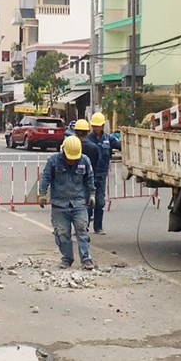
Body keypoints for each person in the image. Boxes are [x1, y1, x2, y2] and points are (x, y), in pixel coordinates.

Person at [39, 136, 96, 270]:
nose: (71, 160)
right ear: (63, 150)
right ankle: (67, 258)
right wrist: (42, 194)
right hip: (59, 204)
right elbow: (45, 177)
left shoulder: (84, 161)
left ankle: (86, 259)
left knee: (82, 230)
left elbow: (90, 179)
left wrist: (92, 194)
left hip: (79, 203)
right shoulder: (53, 161)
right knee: (62, 233)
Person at [86, 112, 121, 235]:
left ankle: (98, 227)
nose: (96, 128)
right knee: (88, 202)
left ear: (102, 126)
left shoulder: (108, 139)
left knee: (100, 202)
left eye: (98, 126)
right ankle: (84, 227)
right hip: (89, 176)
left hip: (101, 175)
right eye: (94, 126)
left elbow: (120, 145)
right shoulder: (87, 139)